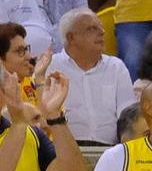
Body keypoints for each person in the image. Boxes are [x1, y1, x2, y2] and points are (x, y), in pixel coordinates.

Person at [49, 7, 133, 145]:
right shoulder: (51, 67)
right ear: (71, 37)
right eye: (92, 29)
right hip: (64, 149)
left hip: (109, 150)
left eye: (100, 27)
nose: (102, 32)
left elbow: (128, 116)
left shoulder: (116, 67)